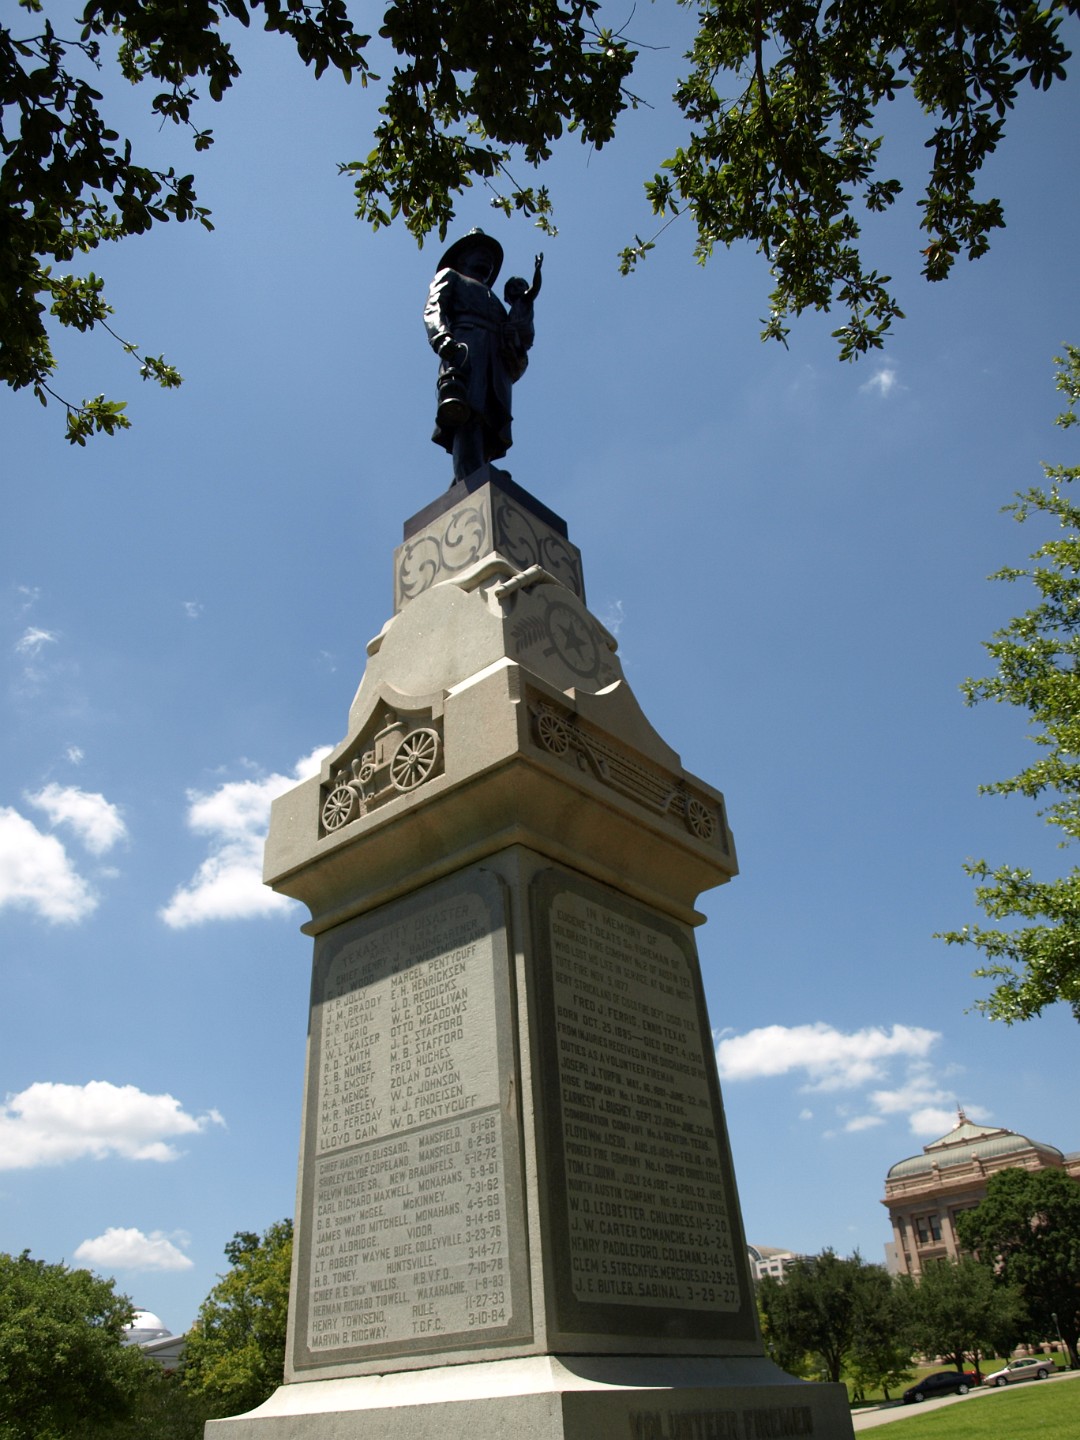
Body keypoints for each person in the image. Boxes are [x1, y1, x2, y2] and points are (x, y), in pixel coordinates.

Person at [423, 230, 540, 481]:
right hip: (467, 349)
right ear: (463, 257)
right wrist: (442, 337)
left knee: (490, 418)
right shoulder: (451, 277)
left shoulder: (497, 302)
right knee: (468, 414)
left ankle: (476, 469)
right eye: (481, 253)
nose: (487, 260)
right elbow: (434, 308)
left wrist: (514, 342)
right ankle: (470, 475)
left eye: (491, 257)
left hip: (495, 360)